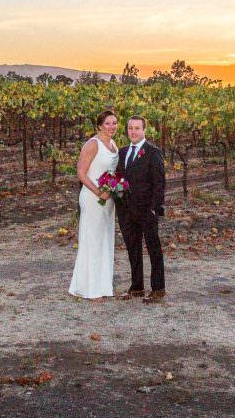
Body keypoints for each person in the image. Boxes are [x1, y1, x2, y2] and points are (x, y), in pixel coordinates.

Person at [67, 110, 119, 300]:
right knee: (92, 240)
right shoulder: (92, 144)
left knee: (105, 240)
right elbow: (81, 173)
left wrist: (113, 189)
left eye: (114, 123)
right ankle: (88, 288)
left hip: (108, 198)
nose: (112, 127)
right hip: (93, 197)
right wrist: (99, 192)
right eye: (107, 123)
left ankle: (103, 286)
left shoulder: (113, 144)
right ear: (99, 126)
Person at [116, 115, 166, 303]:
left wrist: (155, 208)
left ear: (144, 130)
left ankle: (158, 289)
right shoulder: (122, 152)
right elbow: (119, 179)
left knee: (153, 248)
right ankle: (136, 287)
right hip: (126, 210)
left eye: (137, 128)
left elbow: (159, 182)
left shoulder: (153, 152)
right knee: (133, 248)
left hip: (147, 210)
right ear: (127, 130)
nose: (133, 132)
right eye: (130, 128)